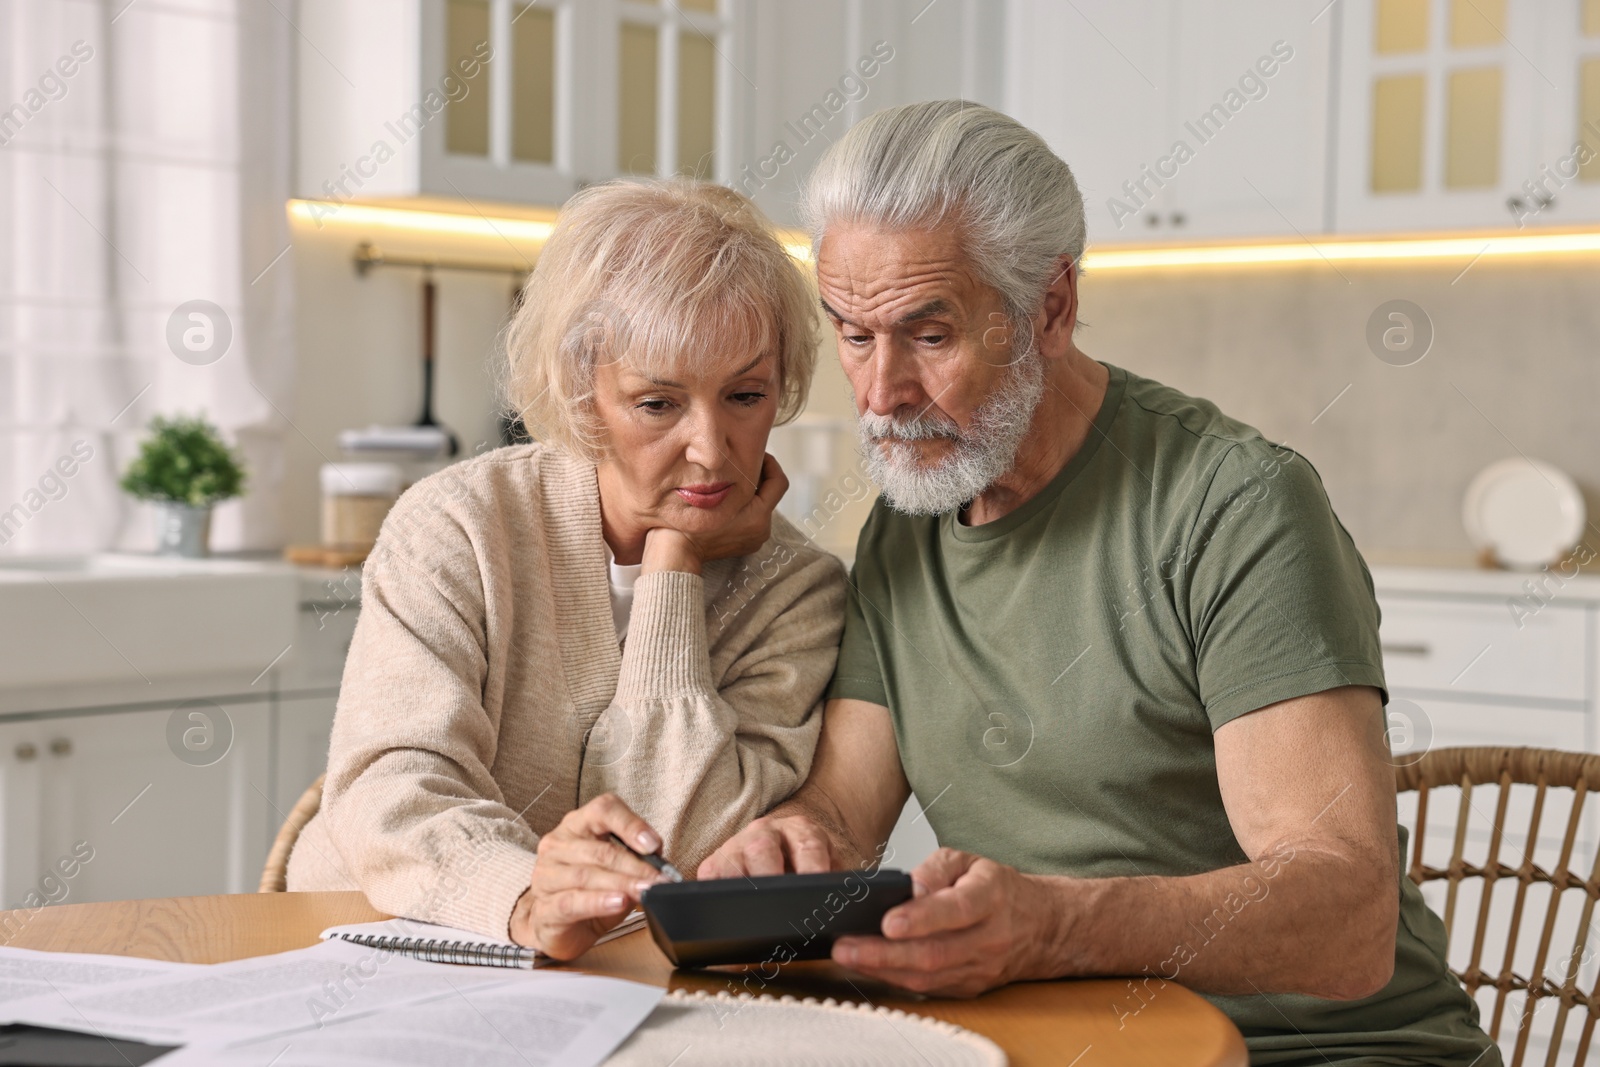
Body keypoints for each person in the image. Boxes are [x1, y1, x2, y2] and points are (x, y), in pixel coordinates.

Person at [699, 101, 1500, 1066]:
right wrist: (784, 846)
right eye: (855, 337)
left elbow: (1349, 916)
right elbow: (840, 813)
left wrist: (1056, 926)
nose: (880, 394)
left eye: (930, 335)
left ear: (1051, 306)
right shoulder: (903, 533)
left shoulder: (1233, 506)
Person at [288, 179, 845, 960]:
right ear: (586, 394)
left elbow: (685, 850)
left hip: (619, 980)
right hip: (371, 945)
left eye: (745, 395)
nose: (713, 450)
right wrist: (523, 896)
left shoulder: (798, 591)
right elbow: (393, 787)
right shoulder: (458, 525)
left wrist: (673, 563)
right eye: (659, 404)